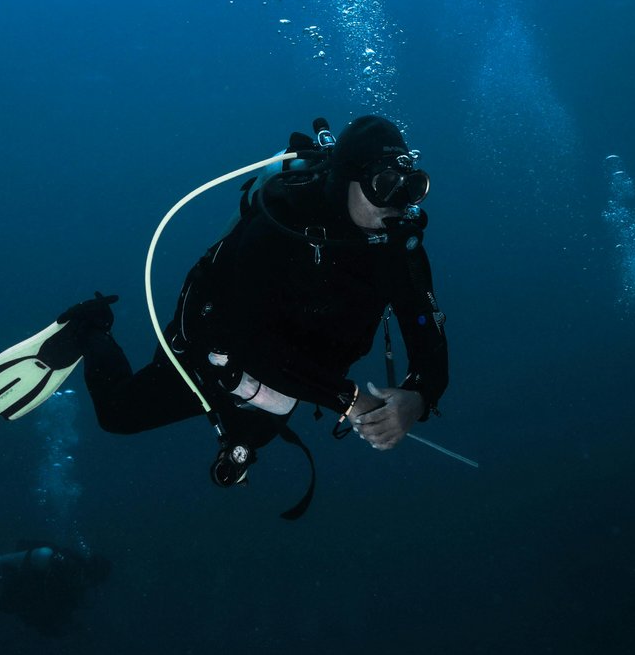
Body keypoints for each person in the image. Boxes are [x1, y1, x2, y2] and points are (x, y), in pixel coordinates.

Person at [60, 115, 448, 498]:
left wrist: (420, 397)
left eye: (410, 188)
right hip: (215, 352)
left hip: (302, 374)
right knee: (118, 414)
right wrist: (351, 401)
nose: (398, 204)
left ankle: (241, 439)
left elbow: (424, 325)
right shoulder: (282, 224)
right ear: (346, 177)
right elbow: (250, 343)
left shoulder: (399, 245)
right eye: (384, 185)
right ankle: (90, 326)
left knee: (257, 432)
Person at [0, 542, 111, 637]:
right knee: (11, 604)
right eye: (95, 580)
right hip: (22, 587)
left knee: (13, 604)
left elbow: (60, 602)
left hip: (28, 588)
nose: (92, 585)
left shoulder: (75, 576)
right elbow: (48, 599)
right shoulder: (67, 571)